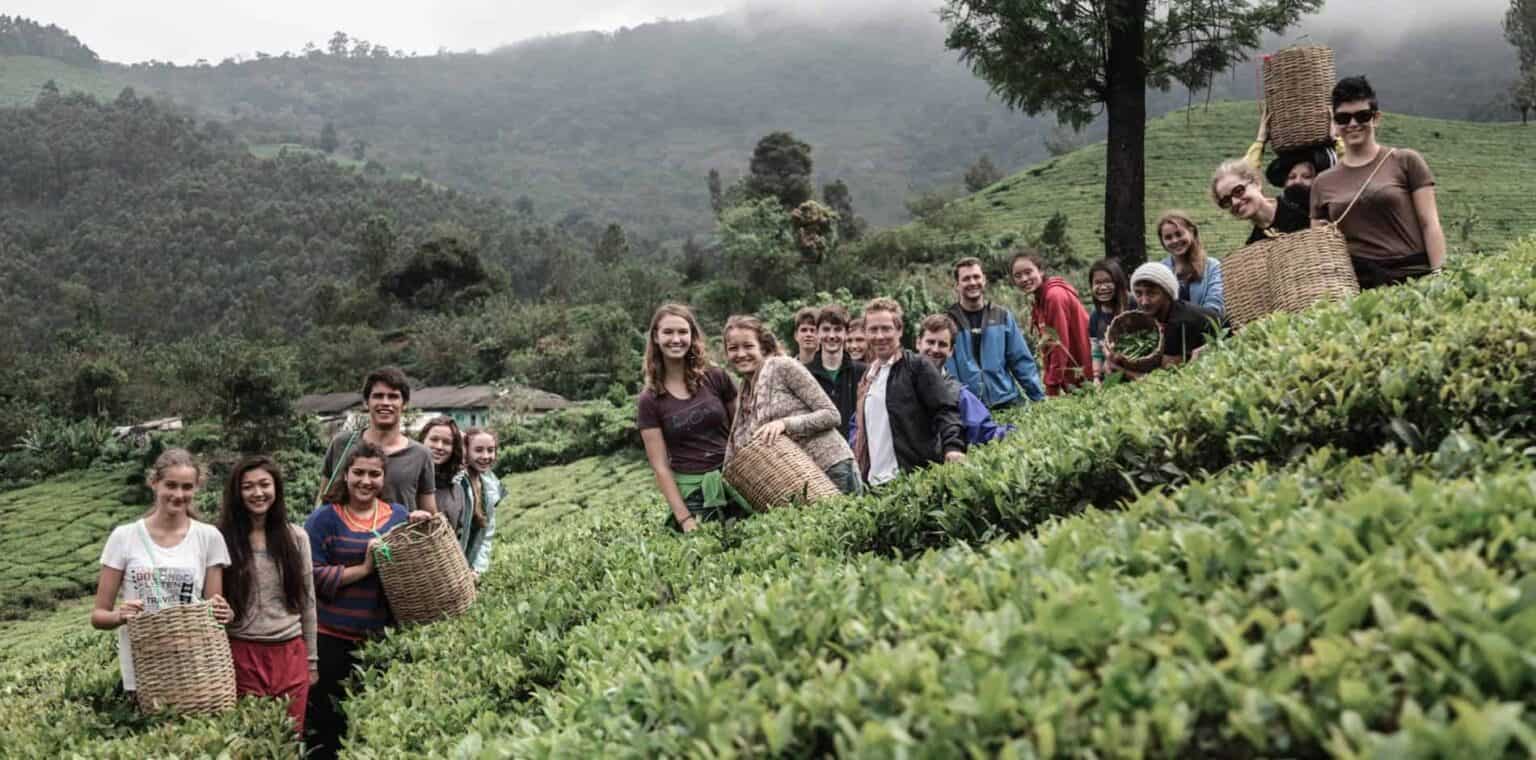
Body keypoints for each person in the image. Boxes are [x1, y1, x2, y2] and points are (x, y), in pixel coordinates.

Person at [304, 442, 431, 760]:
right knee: (327, 725)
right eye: (358, 472)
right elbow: (311, 577)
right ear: (345, 475)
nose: (365, 480)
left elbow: (413, 566)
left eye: (374, 474)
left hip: (380, 638)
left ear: (383, 478)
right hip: (331, 639)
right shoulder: (323, 519)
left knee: (373, 724)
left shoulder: (398, 516)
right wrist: (364, 568)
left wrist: (420, 527)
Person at [91, 448, 234, 701]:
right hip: (144, 672)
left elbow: (212, 610)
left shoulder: (209, 537)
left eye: (187, 487)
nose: (179, 495)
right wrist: (120, 615)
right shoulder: (124, 537)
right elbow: (98, 616)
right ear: (154, 483)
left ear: (196, 488)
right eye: (171, 485)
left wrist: (225, 613)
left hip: (195, 671)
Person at [1311, 75, 1446, 289]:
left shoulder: (1406, 161)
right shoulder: (1322, 183)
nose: (1353, 124)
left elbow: (1429, 223)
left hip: (1413, 277)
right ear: (1335, 124)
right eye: (1344, 118)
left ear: (1376, 118)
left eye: (1362, 116)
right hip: (1360, 288)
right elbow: (1321, 246)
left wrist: (1439, 274)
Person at [217, 455, 317, 734]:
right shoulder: (221, 539)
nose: (257, 493)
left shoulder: (296, 538)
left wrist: (312, 661)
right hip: (242, 653)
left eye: (264, 484)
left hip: (290, 653)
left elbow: (308, 603)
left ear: (277, 489)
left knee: (288, 738)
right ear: (237, 493)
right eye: (248, 487)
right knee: (251, 740)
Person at [636, 303, 749, 531]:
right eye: (668, 332)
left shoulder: (715, 377)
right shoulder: (649, 401)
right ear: (656, 338)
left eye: (682, 332)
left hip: (736, 480)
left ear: (692, 336)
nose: (676, 339)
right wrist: (685, 519)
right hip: (694, 493)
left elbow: (744, 426)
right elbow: (660, 467)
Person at [723, 315, 862, 495]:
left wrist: (784, 424)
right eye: (733, 348)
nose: (741, 354)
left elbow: (831, 415)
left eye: (748, 346)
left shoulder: (783, 366)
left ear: (763, 348)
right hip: (798, 479)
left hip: (832, 467)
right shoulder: (745, 389)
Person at [853, 298, 965, 487]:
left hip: (913, 479)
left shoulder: (917, 367)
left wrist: (953, 447)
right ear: (865, 332)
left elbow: (945, 410)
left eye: (886, 328)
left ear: (899, 330)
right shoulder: (868, 376)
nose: (880, 336)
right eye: (873, 329)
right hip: (875, 484)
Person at [318, 367, 437, 514]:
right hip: (342, 535)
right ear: (366, 402)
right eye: (378, 396)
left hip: (397, 536)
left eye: (393, 397)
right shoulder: (341, 444)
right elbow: (322, 500)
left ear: (404, 404)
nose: (385, 403)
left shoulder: (420, 455)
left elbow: (430, 514)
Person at [945, 256, 1046, 409]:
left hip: (1007, 402)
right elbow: (946, 371)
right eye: (966, 279)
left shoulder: (1002, 317)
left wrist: (1039, 399)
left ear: (984, 280)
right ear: (957, 285)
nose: (972, 282)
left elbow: (1021, 362)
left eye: (976, 277)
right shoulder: (948, 322)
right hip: (969, 407)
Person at [1107, 263, 1222, 379]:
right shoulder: (1160, 313)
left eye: (1151, 293)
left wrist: (1119, 369)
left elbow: (1164, 379)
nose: (1144, 301)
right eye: (1138, 293)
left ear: (1167, 294)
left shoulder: (1178, 321)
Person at [916, 315, 1013, 445]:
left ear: (951, 351)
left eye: (942, 344)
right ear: (918, 343)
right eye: (930, 342)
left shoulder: (959, 396)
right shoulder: (898, 381)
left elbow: (987, 433)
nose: (935, 349)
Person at [1008, 251, 1094, 394]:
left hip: (1086, 377)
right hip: (1075, 379)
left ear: (1040, 270)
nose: (1024, 279)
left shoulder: (1054, 296)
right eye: (1018, 276)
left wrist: (1052, 385)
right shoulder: (1039, 299)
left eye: (1028, 272)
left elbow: (1059, 344)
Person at [1212, 158, 1313, 245]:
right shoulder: (1253, 245)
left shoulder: (1300, 203)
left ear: (1256, 183)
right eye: (1226, 201)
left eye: (1238, 191)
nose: (1235, 202)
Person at [804, 304, 865, 439]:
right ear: (817, 333)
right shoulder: (804, 374)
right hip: (818, 453)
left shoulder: (863, 373)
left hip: (854, 452)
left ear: (846, 333)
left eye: (837, 330)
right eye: (826, 329)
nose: (831, 335)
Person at [418, 416, 474, 560]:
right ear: (423, 440)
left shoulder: (458, 490)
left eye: (447, 442)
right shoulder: (409, 480)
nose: (439, 446)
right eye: (434, 439)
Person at [1154, 211, 1225, 316]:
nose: (1175, 240)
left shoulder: (1212, 267)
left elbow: (1215, 306)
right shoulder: (1160, 270)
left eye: (1179, 234)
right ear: (1162, 242)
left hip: (1206, 328)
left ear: (1192, 232)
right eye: (1168, 237)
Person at [459, 428, 501, 579]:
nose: (485, 456)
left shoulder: (490, 485)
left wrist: (478, 568)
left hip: (470, 568)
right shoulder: (457, 483)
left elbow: (486, 534)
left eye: (490, 450)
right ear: (465, 452)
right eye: (478, 450)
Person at [1086, 258, 1135, 381]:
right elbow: (1096, 351)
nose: (1102, 287)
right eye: (1097, 283)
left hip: (1138, 372)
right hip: (1112, 375)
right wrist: (1096, 377)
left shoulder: (1133, 304)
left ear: (1118, 282)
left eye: (1108, 281)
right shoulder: (1095, 316)